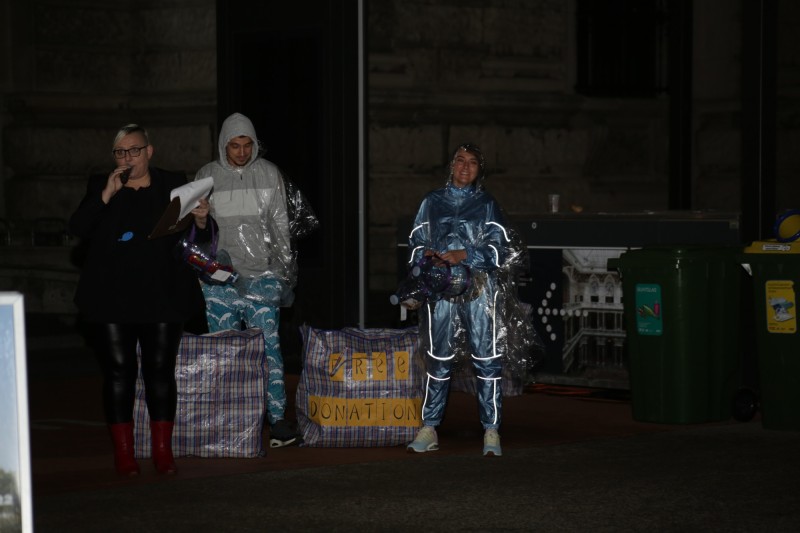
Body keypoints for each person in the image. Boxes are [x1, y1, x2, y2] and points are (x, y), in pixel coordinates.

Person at [69, 124, 210, 476]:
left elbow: (200, 240)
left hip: (162, 292)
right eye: (121, 152)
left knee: (159, 372)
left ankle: (163, 452)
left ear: (149, 151)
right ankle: (124, 453)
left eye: (134, 150)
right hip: (112, 296)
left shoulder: (172, 184)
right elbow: (79, 228)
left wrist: (202, 221)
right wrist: (106, 194)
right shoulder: (101, 185)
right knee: (119, 373)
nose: (128, 158)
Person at [194, 112, 300, 448]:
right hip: (219, 281)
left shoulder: (268, 173)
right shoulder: (207, 175)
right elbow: (197, 229)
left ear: (254, 144)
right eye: (234, 145)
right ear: (223, 144)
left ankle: (277, 419)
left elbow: (280, 226)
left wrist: (283, 272)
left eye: (247, 145)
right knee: (224, 352)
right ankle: (227, 420)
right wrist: (199, 223)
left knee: (270, 349)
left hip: (262, 277)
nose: (241, 152)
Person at [405, 143, 517, 457]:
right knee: (438, 358)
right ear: (451, 165)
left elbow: (501, 251)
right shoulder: (432, 202)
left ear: (480, 170)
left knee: (487, 357)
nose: (465, 167)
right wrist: (425, 256)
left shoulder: (487, 203)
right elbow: (414, 244)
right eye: (460, 161)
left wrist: (465, 254)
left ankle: (491, 430)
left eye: (472, 163)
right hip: (441, 288)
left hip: (480, 289)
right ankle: (429, 427)